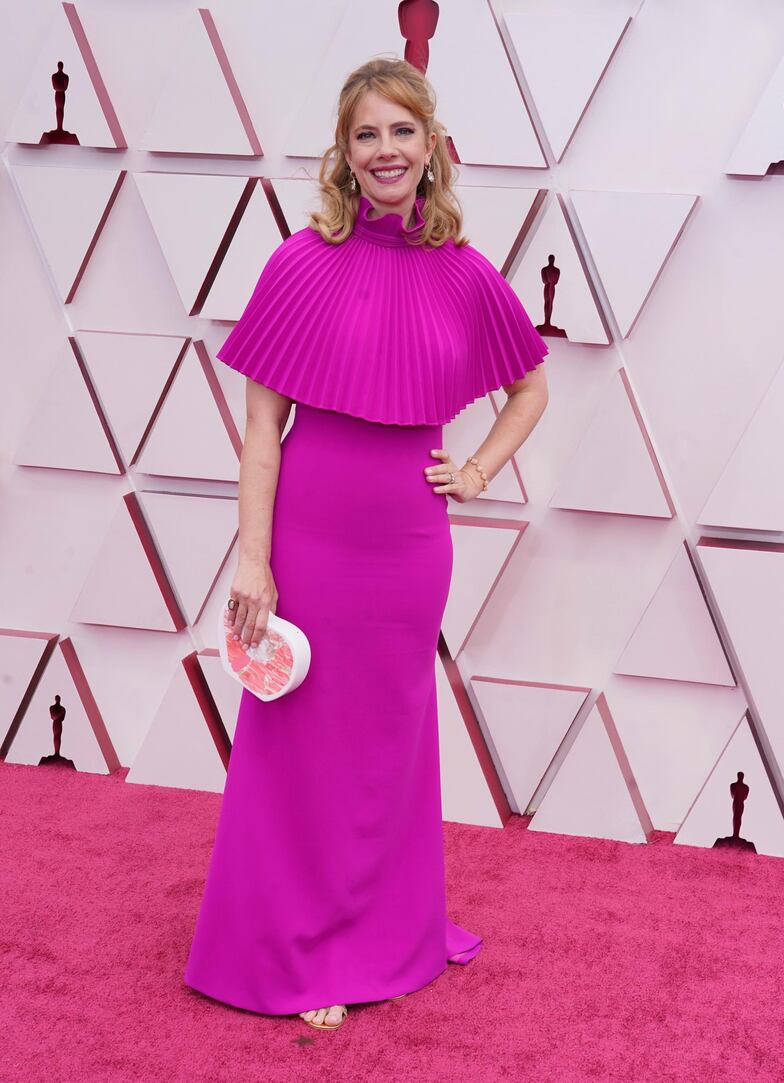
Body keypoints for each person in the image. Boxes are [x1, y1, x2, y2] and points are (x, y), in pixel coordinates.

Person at [183, 56, 549, 1032]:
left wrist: (472, 475)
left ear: (430, 147)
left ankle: (376, 935)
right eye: (364, 135)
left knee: (384, 746)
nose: (383, 151)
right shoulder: (296, 263)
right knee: (296, 740)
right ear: (342, 156)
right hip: (305, 537)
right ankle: (291, 947)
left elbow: (530, 387)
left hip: (406, 547)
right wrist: (252, 558)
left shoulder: (466, 276)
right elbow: (261, 431)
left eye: (399, 131)